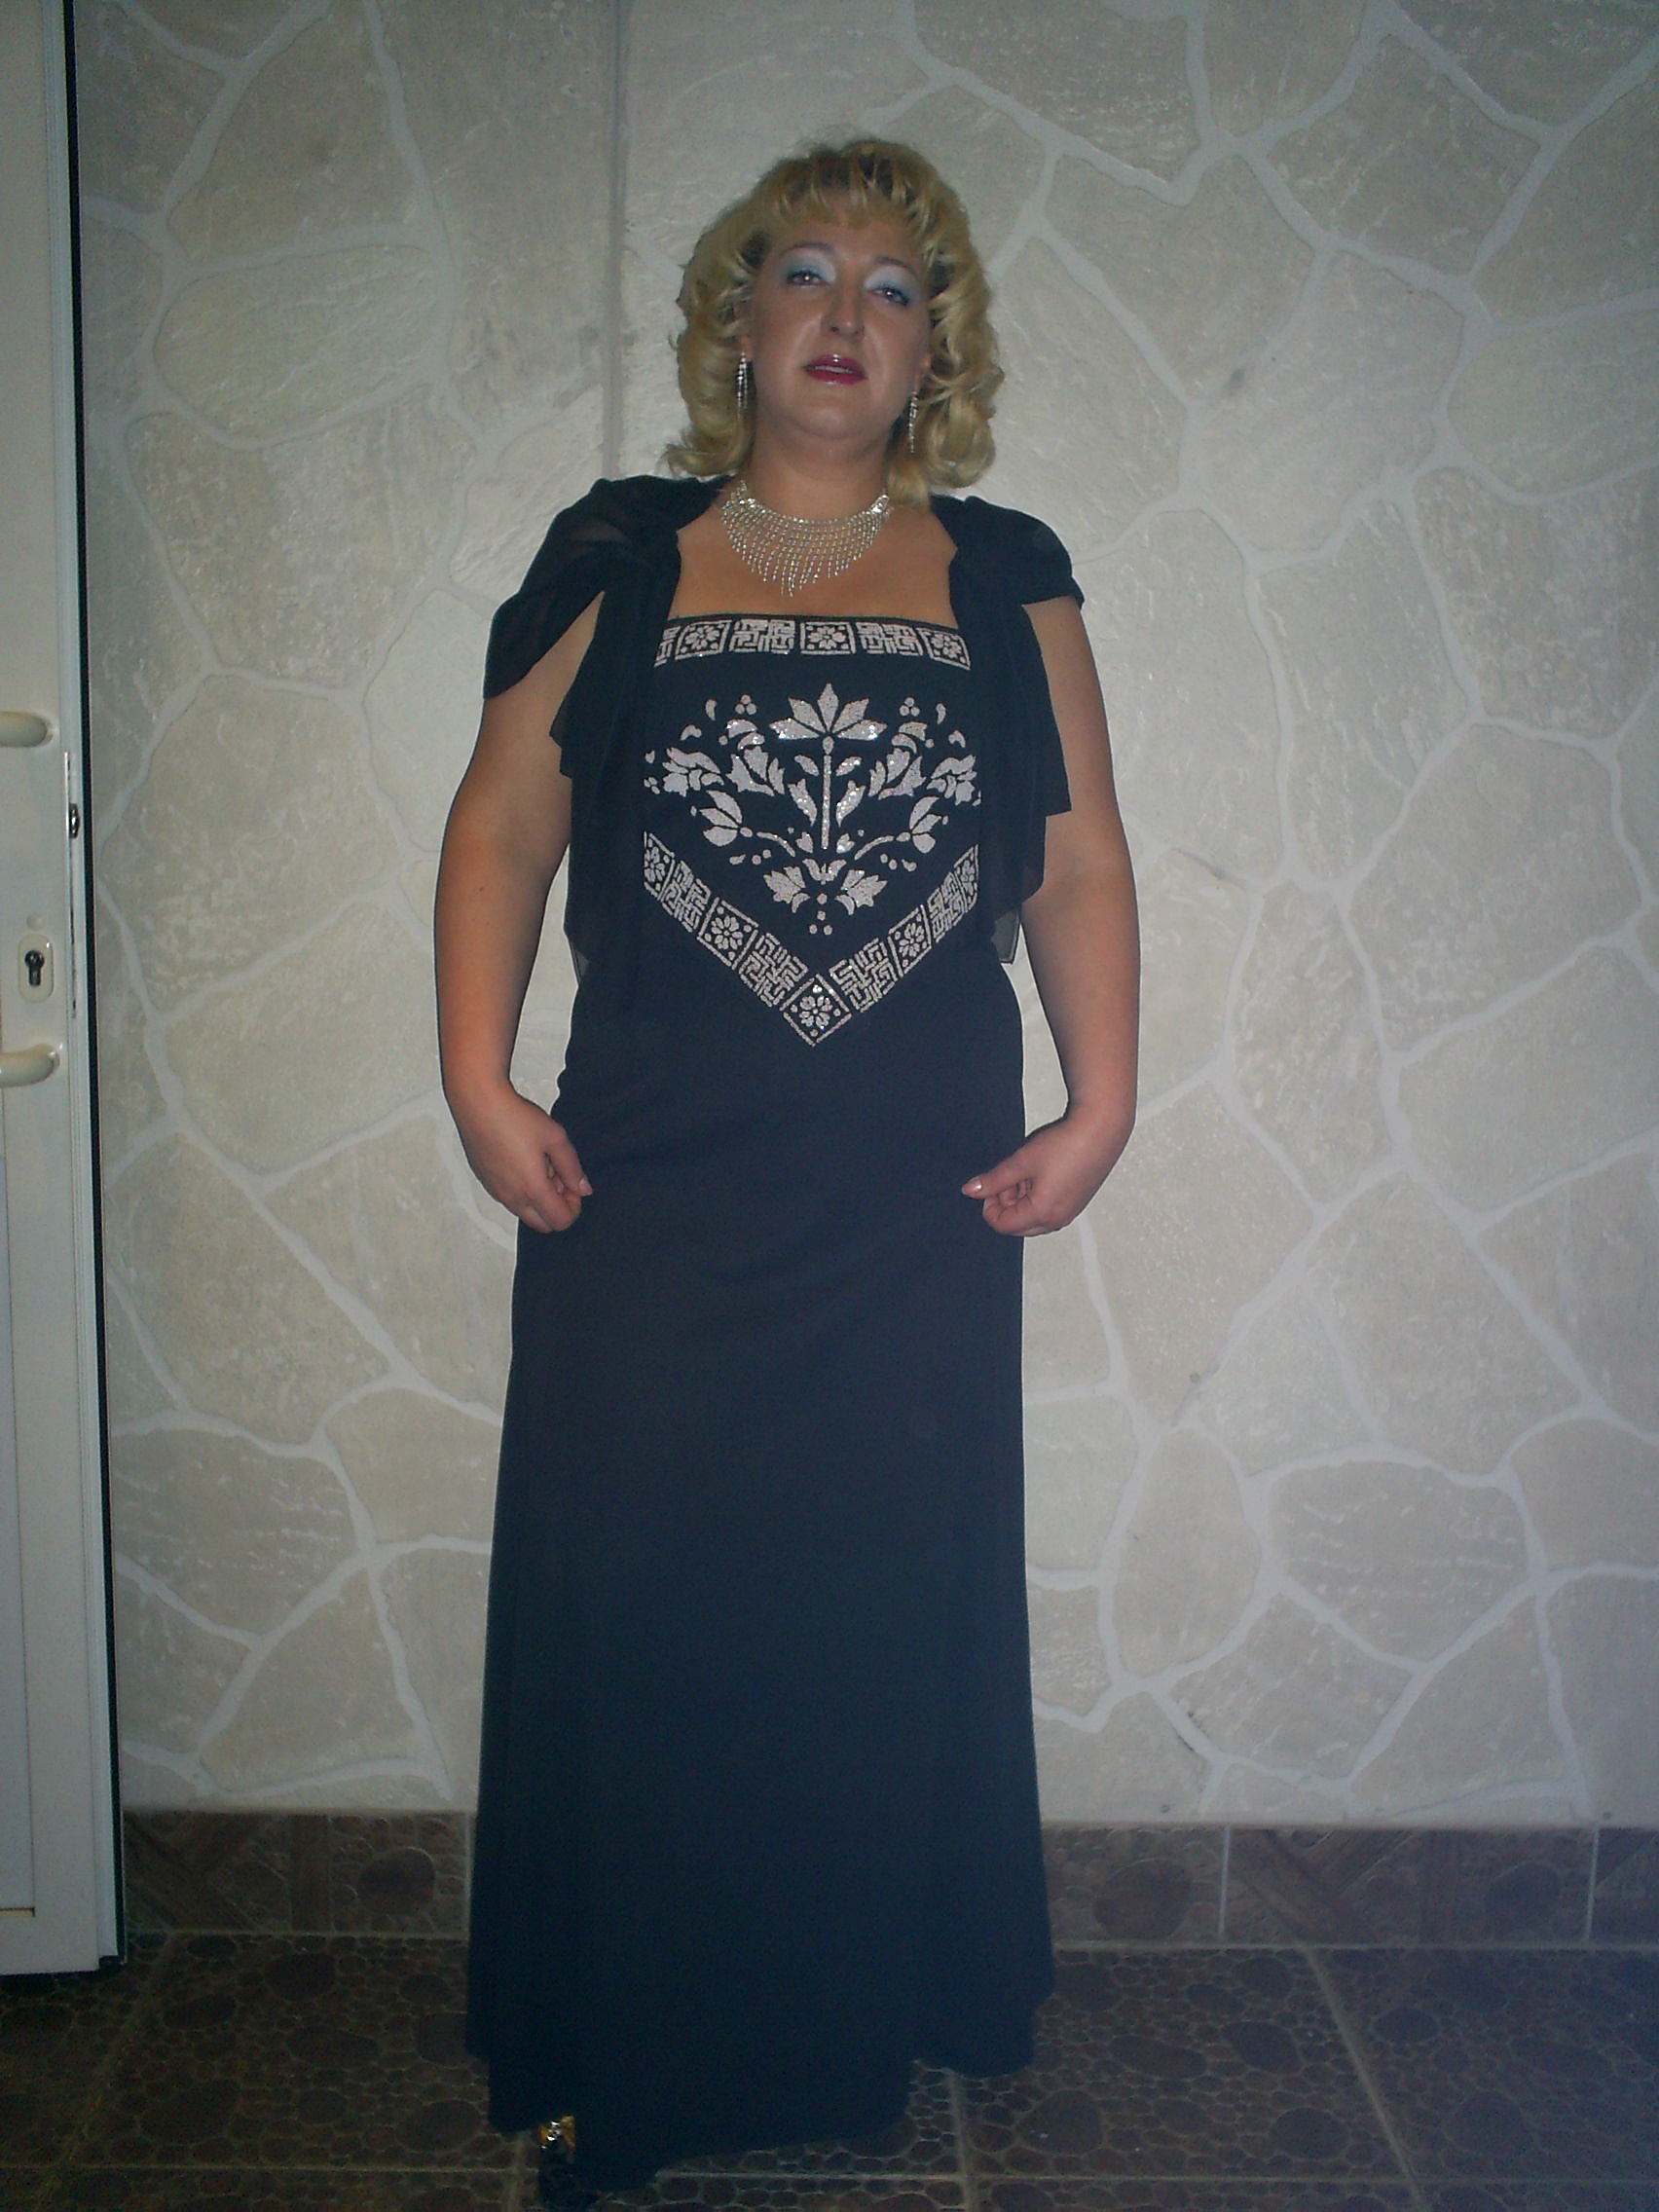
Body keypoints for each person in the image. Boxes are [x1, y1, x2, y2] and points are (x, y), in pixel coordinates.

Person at [435, 138, 1139, 2204]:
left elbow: (1074, 855)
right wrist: (475, 1078)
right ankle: (624, 2053)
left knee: (867, 1615)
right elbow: (502, 823)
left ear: (936, 352)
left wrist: (1100, 1102)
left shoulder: (1004, 572)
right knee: (642, 1612)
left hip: (911, 1199)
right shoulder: (622, 553)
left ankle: (844, 2018)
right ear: (736, 322)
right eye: (806, 272)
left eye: (893, 286)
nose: (846, 313)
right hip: (646, 1180)